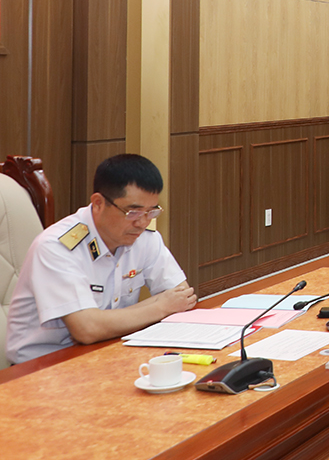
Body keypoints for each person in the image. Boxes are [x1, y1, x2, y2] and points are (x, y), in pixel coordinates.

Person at [6, 154, 197, 364]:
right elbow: (87, 329)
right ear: (98, 203)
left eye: (151, 212)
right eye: (133, 212)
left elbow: (182, 296)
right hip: (43, 367)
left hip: (109, 351)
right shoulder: (57, 246)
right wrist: (161, 306)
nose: (142, 223)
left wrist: (107, 323)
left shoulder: (142, 237)